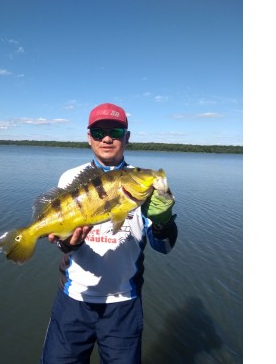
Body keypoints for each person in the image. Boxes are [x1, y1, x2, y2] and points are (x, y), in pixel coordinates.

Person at [40, 103, 178, 364]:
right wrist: (67, 244)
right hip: (73, 300)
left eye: (115, 131)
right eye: (98, 131)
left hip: (123, 305)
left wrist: (163, 222)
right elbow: (62, 241)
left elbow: (164, 247)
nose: (106, 138)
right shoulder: (70, 177)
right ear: (89, 136)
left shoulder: (144, 181)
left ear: (127, 137)